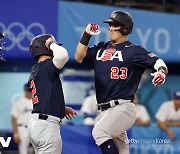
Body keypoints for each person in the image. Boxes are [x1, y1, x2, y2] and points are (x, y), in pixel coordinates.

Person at [75, 10, 168, 154]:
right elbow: (79, 57)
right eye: (110, 25)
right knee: (122, 151)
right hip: (104, 110)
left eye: (114, 25)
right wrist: (86, 36)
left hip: (122, 107)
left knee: (99, 132)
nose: (110, 28)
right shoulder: (102, 47)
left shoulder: (134, 50)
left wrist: (161, 71)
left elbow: (157, 61)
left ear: (125, 28)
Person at [27, 34, 77, 154]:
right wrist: (51, 43)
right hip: (46, 127)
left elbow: (43, 97)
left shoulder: (36, 69)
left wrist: (60, 107)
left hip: (37, 124)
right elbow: (63, 56)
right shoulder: (46, 67)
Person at [11, 83, 33, 154]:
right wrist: (16, 134)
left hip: (34, 128)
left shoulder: (36, 102)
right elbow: (14, 119)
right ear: (25, 91)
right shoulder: (18, 102)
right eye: (28, 91)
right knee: (23, 150)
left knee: (38, 149)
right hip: (23, 129)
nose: (30, 93)